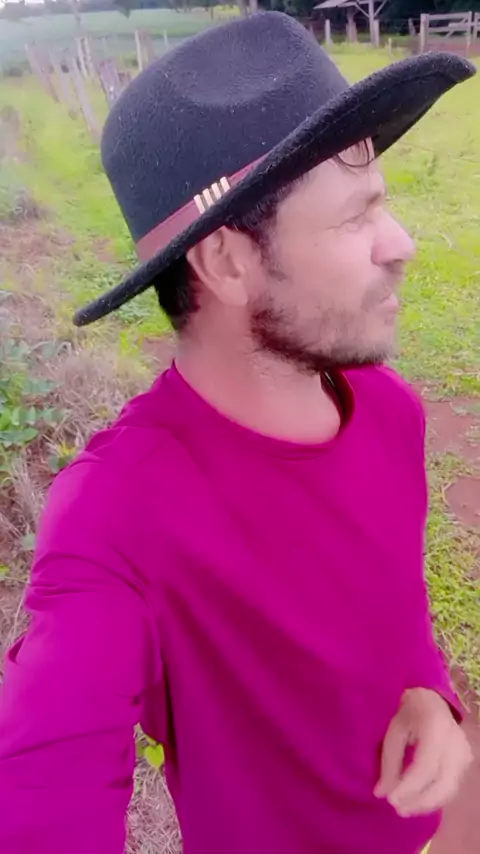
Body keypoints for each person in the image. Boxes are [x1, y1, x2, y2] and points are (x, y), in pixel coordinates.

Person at [0, 12, 475, 854]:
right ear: (225, 262)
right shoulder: (114, 517)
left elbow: (396, 615)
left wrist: (430, 692)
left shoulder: (389, 409)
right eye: (355, 217)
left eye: (383, 204)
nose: (400, 243)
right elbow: (44, 788)